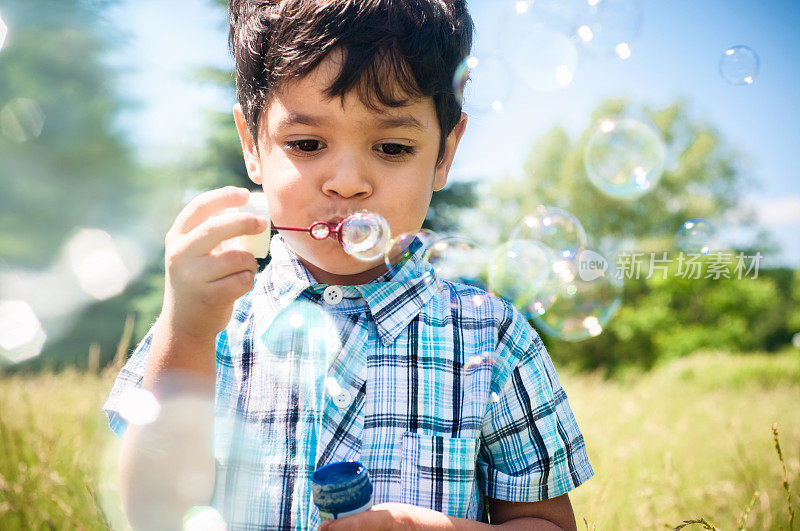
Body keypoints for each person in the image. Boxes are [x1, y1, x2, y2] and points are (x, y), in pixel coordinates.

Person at [103, 0, 593, 529]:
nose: (347, 181)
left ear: (445, 153)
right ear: (252, 144)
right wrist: (187, 328)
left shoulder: (491, 338)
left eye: (391, 147)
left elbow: (549, 523)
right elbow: (151, 512)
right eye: (307, 143)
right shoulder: (208, 325)